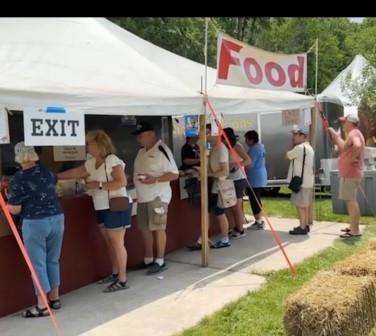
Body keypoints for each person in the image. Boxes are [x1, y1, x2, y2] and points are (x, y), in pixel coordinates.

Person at [57, 130, 132, 292]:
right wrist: (55, 176)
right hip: (101, 206)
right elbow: (77, 172)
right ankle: (115, 272)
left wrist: (98, 185)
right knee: (109, 241)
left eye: (89, 143)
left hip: (115, 206)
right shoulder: (91, 162)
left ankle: (123, 279)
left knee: (117, 242)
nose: (87, 146)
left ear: (99, 145)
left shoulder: (112, 160)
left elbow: (122, 181)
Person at [7, 142, 64, 317]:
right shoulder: (48, 172)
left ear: (18, 157)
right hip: (57, 218)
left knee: (37, 264)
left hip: (35, 222)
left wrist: (7, 204)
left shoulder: (18, 179)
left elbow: (15, 209)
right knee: (53, 260)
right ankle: (55, 298)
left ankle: (42, 305)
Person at [133, 121, 179, 275]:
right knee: (145, 229)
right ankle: (148, 258)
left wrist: (155, 179)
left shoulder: (162, 150)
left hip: (157, 197)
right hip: (142, 197)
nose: (138, 139)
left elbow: (174, 174)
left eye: (141, 135)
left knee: (158, 228)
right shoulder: (141, 152)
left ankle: (160, 260)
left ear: (151, 134)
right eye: (137, 136)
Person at [187, 124, 231, 250]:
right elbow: (205, 159)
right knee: (209, 212)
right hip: (213, 185)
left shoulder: (221, 148)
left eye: (207, 133)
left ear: (215, 133)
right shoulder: (212, 148)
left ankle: (224, 239)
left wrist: (207, 173)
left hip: (219, 185)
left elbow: (225, 171)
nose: (205, 136)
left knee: (219, 212)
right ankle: (202, 239)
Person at [328, 113, 365, 238]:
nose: (343, 124)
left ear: (350, 123)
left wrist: (352, 158)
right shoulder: (353, 133)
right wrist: (335, 135)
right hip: (350, 172)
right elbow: (344, 147)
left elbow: (357, 145)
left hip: (351, 173)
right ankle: (352, 227)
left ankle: (355, 231)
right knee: (350, 201)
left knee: (351, 201)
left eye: (345, 122)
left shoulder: (354, 133)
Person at [222, 127, 251, 239]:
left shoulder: (237, 146)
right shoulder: (224, 146)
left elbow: (248, 160)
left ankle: (240, 229)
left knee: (236, 206)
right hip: (228, 179)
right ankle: (235, 227)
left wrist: (235, 165)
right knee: (231, 205)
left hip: (238, 179)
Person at [286, 125, 314, 235]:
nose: (293, 137)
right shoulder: (309, 147)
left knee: (300, 205)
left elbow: (287, 155)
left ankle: (302, 227)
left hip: (300, 182)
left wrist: (292, 145)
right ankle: (305, 225)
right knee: (305, 205)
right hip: (307, 181)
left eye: (295, 134)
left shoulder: (299, 148)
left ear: (303, 136)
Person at [244, 130, 267, 230]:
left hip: (254, 177)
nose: (245, 141)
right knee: (257, 199)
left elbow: (249, 164)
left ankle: (259, 221)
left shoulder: (254, 149)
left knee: (254, 200)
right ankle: (259, 220)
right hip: (260, 175)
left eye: (246, 139)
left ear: (251, 139)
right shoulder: (261, 147)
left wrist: (240, 164)